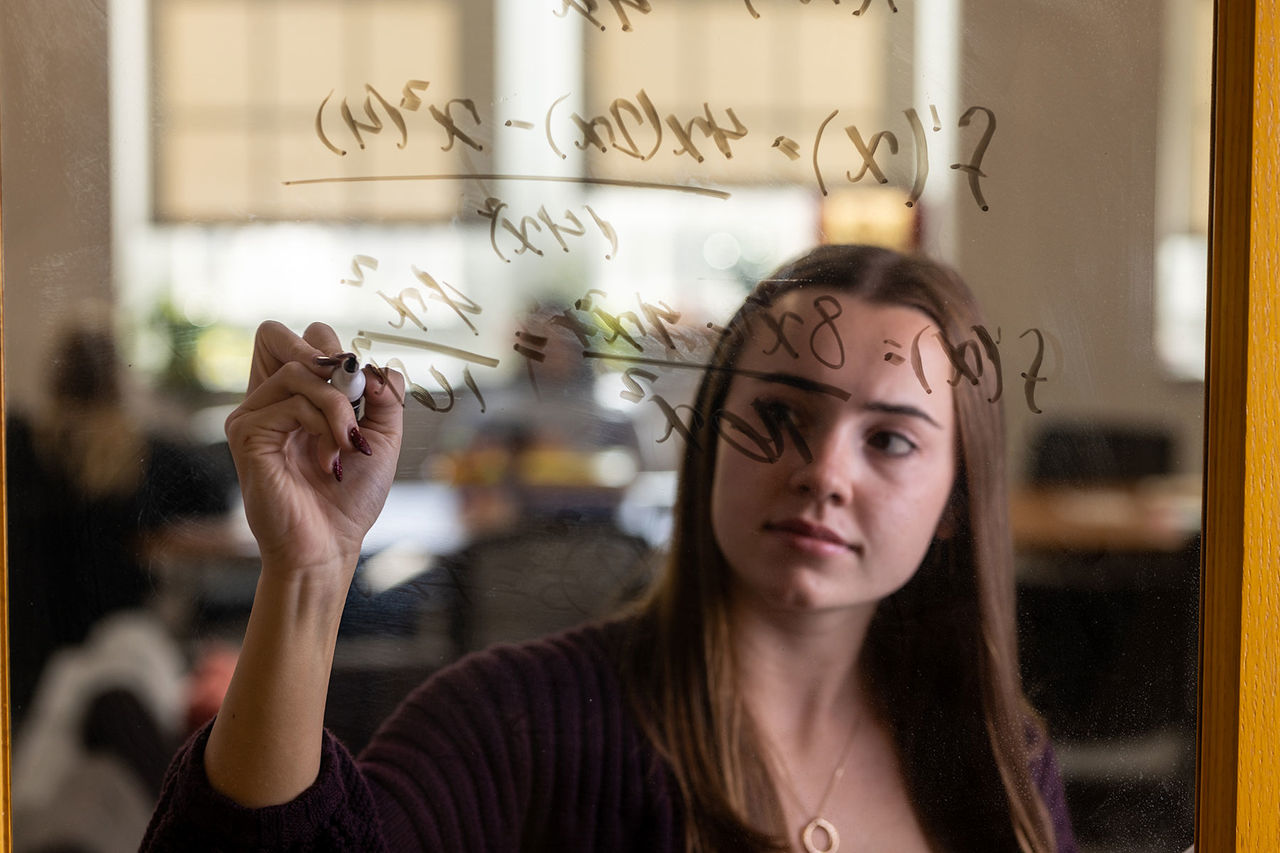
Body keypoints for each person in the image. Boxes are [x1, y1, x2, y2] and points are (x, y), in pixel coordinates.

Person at [141, 244, 1078, 852]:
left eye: (891, 438)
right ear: (710, 433)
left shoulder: (997, 765)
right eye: (782, 415)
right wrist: (307, 575)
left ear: (956, 497)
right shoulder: (514, 723)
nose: (824, 471)